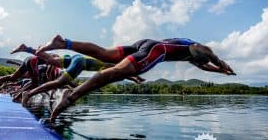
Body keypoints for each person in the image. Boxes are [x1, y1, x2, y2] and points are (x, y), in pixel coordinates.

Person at [36, 35, 236, 121]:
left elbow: (204, 66)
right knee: (116, 73)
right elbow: (208, 54)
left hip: (145, 43)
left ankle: (63, 42)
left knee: (105, 54)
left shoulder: (188, 51)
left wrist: (220, 72)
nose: (202, 61)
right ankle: (71, 95)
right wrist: (222, 64)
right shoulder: (197, 48)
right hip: (157, 51)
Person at [10, 44, 145, 107]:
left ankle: (27, 48)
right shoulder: (112, 64)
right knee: (59, 83)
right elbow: (122, 73)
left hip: (75, 58)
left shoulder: (108, 59)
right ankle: (29, 94)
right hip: (79, 62)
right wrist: (134, 77)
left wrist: (133, 78)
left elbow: (123, 74)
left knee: (51, 61)